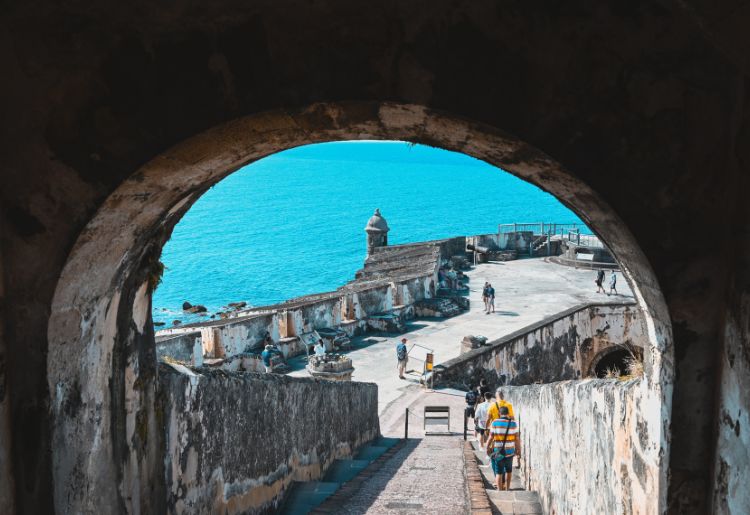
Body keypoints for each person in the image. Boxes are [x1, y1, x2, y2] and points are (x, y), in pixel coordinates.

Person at [486, 406, 521, 490]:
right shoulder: (513, 423)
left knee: (499, 472)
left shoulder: (494, 422)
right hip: (510, 451)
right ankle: (507, 488)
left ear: (499, 413)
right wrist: (518, 449)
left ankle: (500, 490)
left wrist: (487, 447)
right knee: (509, 471)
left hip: (498, 451)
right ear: (508, 413)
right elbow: (516, 438)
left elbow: (491, 437)